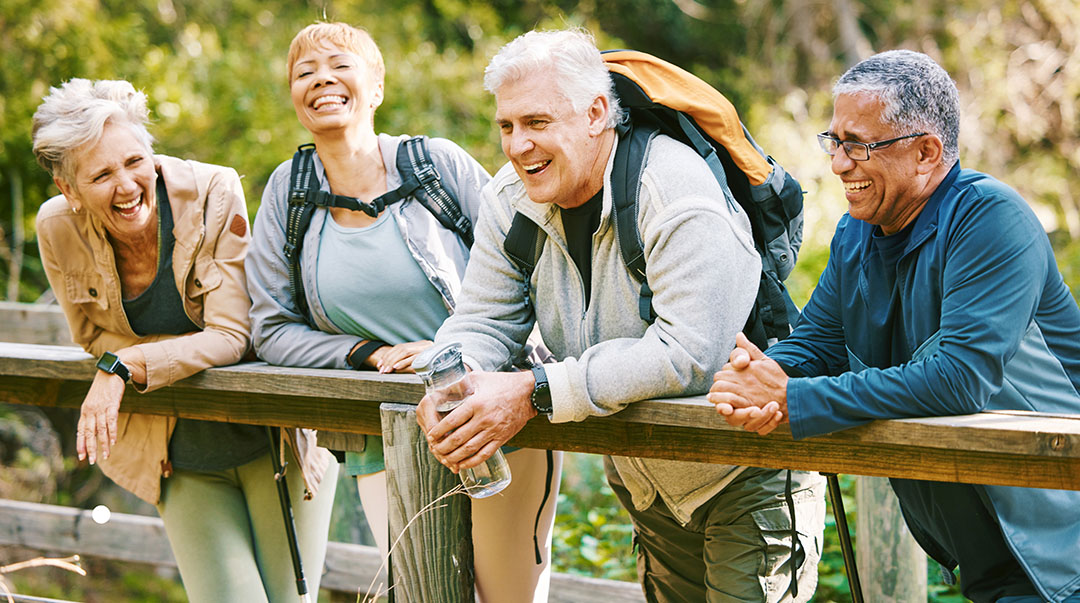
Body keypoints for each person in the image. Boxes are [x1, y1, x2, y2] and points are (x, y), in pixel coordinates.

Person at [417, 28, 825, 603]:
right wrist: (452, 374)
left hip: (747, 469)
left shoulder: (674, 189)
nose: (516, 146)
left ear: (596, 114)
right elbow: (483, 317)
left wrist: (533, 392)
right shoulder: (510, 199)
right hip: (647, 479)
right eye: (506, 126)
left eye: (537, 123)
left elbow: (690, 355)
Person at [709, 49, 1080, 603]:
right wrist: (756, 375)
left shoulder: (990, 219)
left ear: (927, 152)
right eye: (833, 142)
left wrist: (794, 398)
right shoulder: (856, 234)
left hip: (1062, 553)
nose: (838, 164)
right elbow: (820, 342)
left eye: (858, 144)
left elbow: (958, 378)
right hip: (993, 557)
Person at [244, 22, 561, 602]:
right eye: (303, 72)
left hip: (493, 415)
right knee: (421, 594)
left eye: (339, 65)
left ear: (377, 85)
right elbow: (269, 328)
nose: (321, 80)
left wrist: (449, 349)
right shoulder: (287, 191)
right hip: (381, 434)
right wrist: (368, 353)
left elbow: (531, 264)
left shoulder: (435, 165)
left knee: (508, 599)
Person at [31, 78, 337, 603]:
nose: (126, 185)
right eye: (101, 175)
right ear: (69, 190)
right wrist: (131, 359)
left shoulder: (213, 190)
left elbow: (232, 334)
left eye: (133, 161)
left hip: (273, 442)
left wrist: (125, 364)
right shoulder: (57, 227)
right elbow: (90, 337)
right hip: (177, 455)